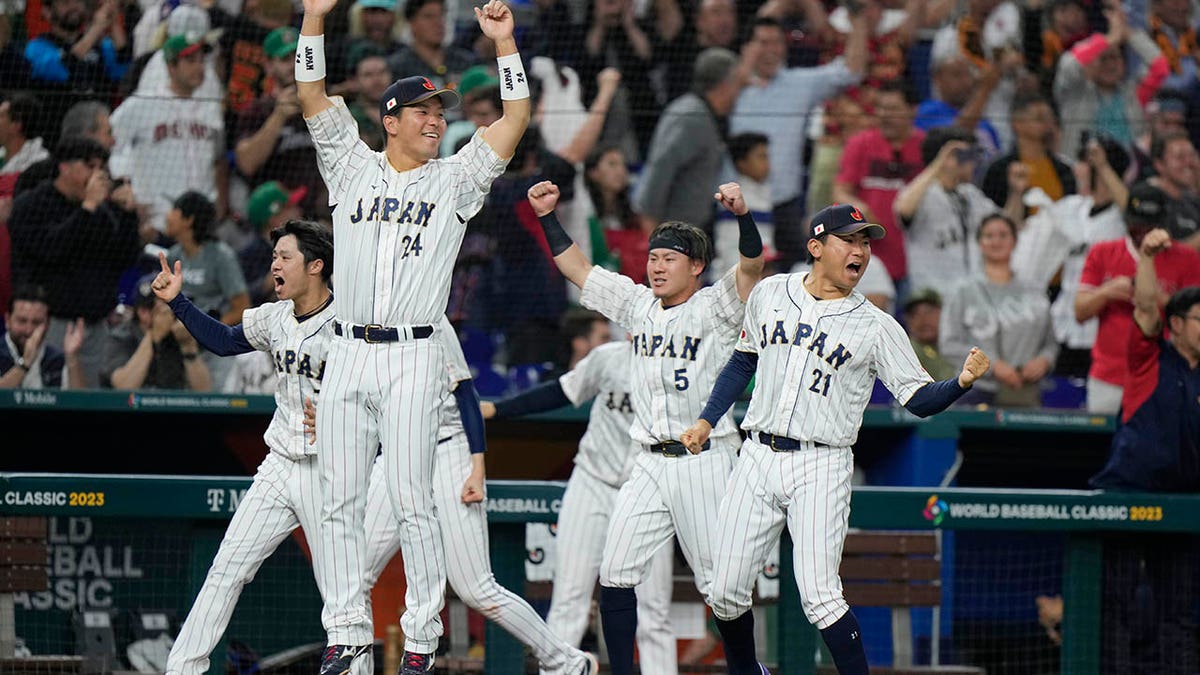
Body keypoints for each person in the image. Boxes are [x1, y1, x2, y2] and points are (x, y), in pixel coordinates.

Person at [295, 0, 530, 668]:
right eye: (424, 110)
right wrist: (314, 17)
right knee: (337, 496)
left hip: (413, 353)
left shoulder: (455, 180)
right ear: (389, 119)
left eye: (441, 111)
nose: (437, 119)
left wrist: (504, 45)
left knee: (409, 496)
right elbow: (310, 89)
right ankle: (345, 629)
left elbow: (515, 117)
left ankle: (421, 639)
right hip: (344, 350)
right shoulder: (348, 163)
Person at [679, 202, 990, 675]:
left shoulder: (877, 325)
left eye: (866, 242)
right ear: (816, 247)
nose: (861, 251)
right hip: (758, 454)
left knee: (821, 597)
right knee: (723, 592)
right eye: (850, 240)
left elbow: (920, 400)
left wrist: (961, 383)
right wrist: (706, 419)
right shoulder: (771, 292)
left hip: (821, 463)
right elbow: (743, 360)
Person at [525, 178, 764, 675]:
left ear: (696, 266)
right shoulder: (637, 305)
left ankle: (747, 668)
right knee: (614, 573)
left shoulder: (714, 307)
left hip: (706, 460)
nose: (656, 266)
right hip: (647, 461)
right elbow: (576, 268)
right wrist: (548, 217)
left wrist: (742, 217)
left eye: (669, 258)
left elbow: (751, 267)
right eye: (653, 257)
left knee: (722, 587)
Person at [303, 316, 601, 675]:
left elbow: (465, 393)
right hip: (397, 452)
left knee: (475, 588)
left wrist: (477, 466)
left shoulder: (429, 317)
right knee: (354, 574)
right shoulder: (358, 318)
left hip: (448, 450)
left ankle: (565, 661)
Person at [145, 221, 356, 675]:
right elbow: (222, 342)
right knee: (227, 569)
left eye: (285, 257)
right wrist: (178, 302)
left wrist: (348, 416)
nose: (274, 265)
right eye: (274, 256)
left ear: (316, 266)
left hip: (332, 468)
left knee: (342, 591)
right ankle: (183, 669)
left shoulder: (351, 323)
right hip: (280, 465)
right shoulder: (274, 317)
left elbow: (383, 390)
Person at [480, 335, 677, 675]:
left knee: (654, 610)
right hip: (592, 481)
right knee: (570, 598)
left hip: (649, 487)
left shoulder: (681, 367)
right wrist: (499, 409)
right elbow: (561, 391)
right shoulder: (609, 358)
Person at [1089, 227, 1200, 674]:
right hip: (1127, 496)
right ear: (1176, 325)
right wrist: (1150, 257)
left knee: (1177, 613)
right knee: (1112, 606)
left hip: (1181, 506)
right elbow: (1144, 307)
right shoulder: (1150, 355)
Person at [731, 14, 869, 263]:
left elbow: (852, 71)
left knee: (793, 275)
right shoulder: (729, 87)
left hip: (785, 207)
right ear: (747, 48)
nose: (771, 50)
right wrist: (741, 71)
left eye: (777, 43)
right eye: (763, 43)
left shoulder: (799, 84)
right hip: (736, 203)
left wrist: (858, 18)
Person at [8, 136, 142, 388]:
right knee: (45, 398)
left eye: (101, 168)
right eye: (90, 166)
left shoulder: (101, 212)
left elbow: (124, 258)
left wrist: (128, 216)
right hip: (49, 324)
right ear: (64, 167)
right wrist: (88, 207)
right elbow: (51, 249)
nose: (98, 175)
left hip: (95, 325)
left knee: (90, 405)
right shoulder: (32, 204)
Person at [1075, 182, 1200, 413]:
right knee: (1102, 446)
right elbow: (1079, 312)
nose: (1143, 233)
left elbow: (1194, 319)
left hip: (1164, 373)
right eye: (1137, 226)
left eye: (1151, 227)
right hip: (1108, 376)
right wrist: (1106, 292)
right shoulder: (1102, 252)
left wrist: (1151, 297)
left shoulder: (1187, 258)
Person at [109, 33, 226, 233]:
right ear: (171, 66)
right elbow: (111, 143)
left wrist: (220, 205)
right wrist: (123, 184)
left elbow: (218, 160)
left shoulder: (211, 109)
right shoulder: (142, 104)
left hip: (203, 227)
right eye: (190, 60)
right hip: (159, 224)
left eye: (201, 60)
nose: (199, 67)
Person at [939, 213, 1058, 407]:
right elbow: (949, 345)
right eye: (989, 235)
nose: (996, 241)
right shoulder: (962, 290)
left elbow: (1051, 342)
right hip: (976, 392)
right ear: (979, 243)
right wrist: (992, 366)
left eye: (1003, 235)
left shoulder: (1035, 291)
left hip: (1025, 392)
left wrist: (1044, 360)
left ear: (1015, 241)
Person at [895, 126, 1028, 294]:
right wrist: (939, 163)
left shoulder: (970, 194)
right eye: (969, 156)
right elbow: (903, 209)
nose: (974, 163)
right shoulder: (923, 194)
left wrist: (1016, 193)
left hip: (971, 299)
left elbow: (1008, 226)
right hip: (933, 299)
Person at [634, 47, 742, 233]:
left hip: (688, 231)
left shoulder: (705, 114)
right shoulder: (691, 116)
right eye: (737, 83)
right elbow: (662, 166)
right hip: (670, 230)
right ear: (725, 84)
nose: (739, 91)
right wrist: (650, 226)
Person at [102, 274, 211, 391]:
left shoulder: (179, 333)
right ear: (143, 312)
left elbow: (204, 392)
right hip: (129, 407)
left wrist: (188, 346)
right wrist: (152, 336)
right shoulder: (121, 337)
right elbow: (124, 387)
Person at [0, 285, 85, 389]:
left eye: (36, 323)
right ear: (8, 320)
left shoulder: (56, 359)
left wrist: (72, 359)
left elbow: (80, 402)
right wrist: (25, 364)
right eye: (22, 321)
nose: (29, 330)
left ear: (48, 324)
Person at [241, 181, 307, 307]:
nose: (299, 210)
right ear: (274, 219)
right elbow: (242, 299)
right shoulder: (251, 255)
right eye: (290, 207)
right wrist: (270, 281)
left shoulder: (305, 244)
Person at [903, 288, 957, 382]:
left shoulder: (956, 346)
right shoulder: (907, 352)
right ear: (908, 321)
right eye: (915, 314)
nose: (923, 319)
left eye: (929, 311)